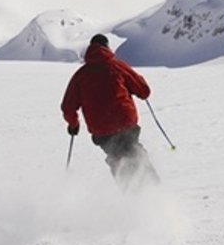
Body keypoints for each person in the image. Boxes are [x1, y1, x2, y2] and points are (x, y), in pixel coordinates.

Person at [62, 34, 160, 192]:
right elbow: (143, 89)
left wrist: (73, 124)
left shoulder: (80, 75)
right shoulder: (117, 66)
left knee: (116, 157)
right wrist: (140, 92)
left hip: (102, 130)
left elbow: (68, 106)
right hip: (125, 122)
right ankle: (154, 190)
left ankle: (131, 195)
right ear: (107, 47)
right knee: (133, 150)